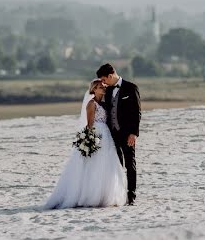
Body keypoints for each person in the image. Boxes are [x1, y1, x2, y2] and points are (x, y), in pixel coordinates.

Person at [43, 79, 127, 209]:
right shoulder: (91, 104)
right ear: (94, 89)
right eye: (100, 87)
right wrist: (89, 140)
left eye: (103, 86)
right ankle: (90, 195)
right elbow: (89, 124)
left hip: (106, 135)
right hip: (97, 133)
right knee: (94, 164)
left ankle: (104, 195)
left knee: (107, 164)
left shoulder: (104, 103)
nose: (103, 88)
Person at [97, 62, 141, 205]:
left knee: (130, 163)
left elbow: (137, 112)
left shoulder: (131, 88)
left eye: (104, 80)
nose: (103, 83)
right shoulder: (108, 91)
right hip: (112, 134)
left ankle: (131, 196)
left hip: (127, 134)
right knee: (116, 164)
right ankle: (119, 193)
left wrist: (134, 133)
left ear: (110, 75)